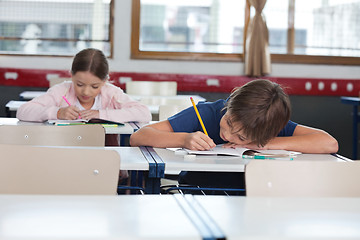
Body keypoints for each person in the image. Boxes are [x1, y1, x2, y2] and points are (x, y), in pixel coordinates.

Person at [130, 79, 339, 193]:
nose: (227, 134)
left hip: (254, 195)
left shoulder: (267, 124)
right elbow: (139, 136)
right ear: (230, 102)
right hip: (198, 192)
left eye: (241, 137)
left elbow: (329, 143)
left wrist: (266, 143)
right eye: (229, 122)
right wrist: (184, 139)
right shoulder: (207, 113)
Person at [17, 48, 152, 124]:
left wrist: (101, 114)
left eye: (94, 86)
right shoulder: (61, 91)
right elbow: (23, 111)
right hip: (63, 154)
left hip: (102, 156)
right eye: (79, 84)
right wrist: (57, 113)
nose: (86, 92)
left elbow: (144, 114)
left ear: (105, 81)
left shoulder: (111, 94)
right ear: (71, 75)